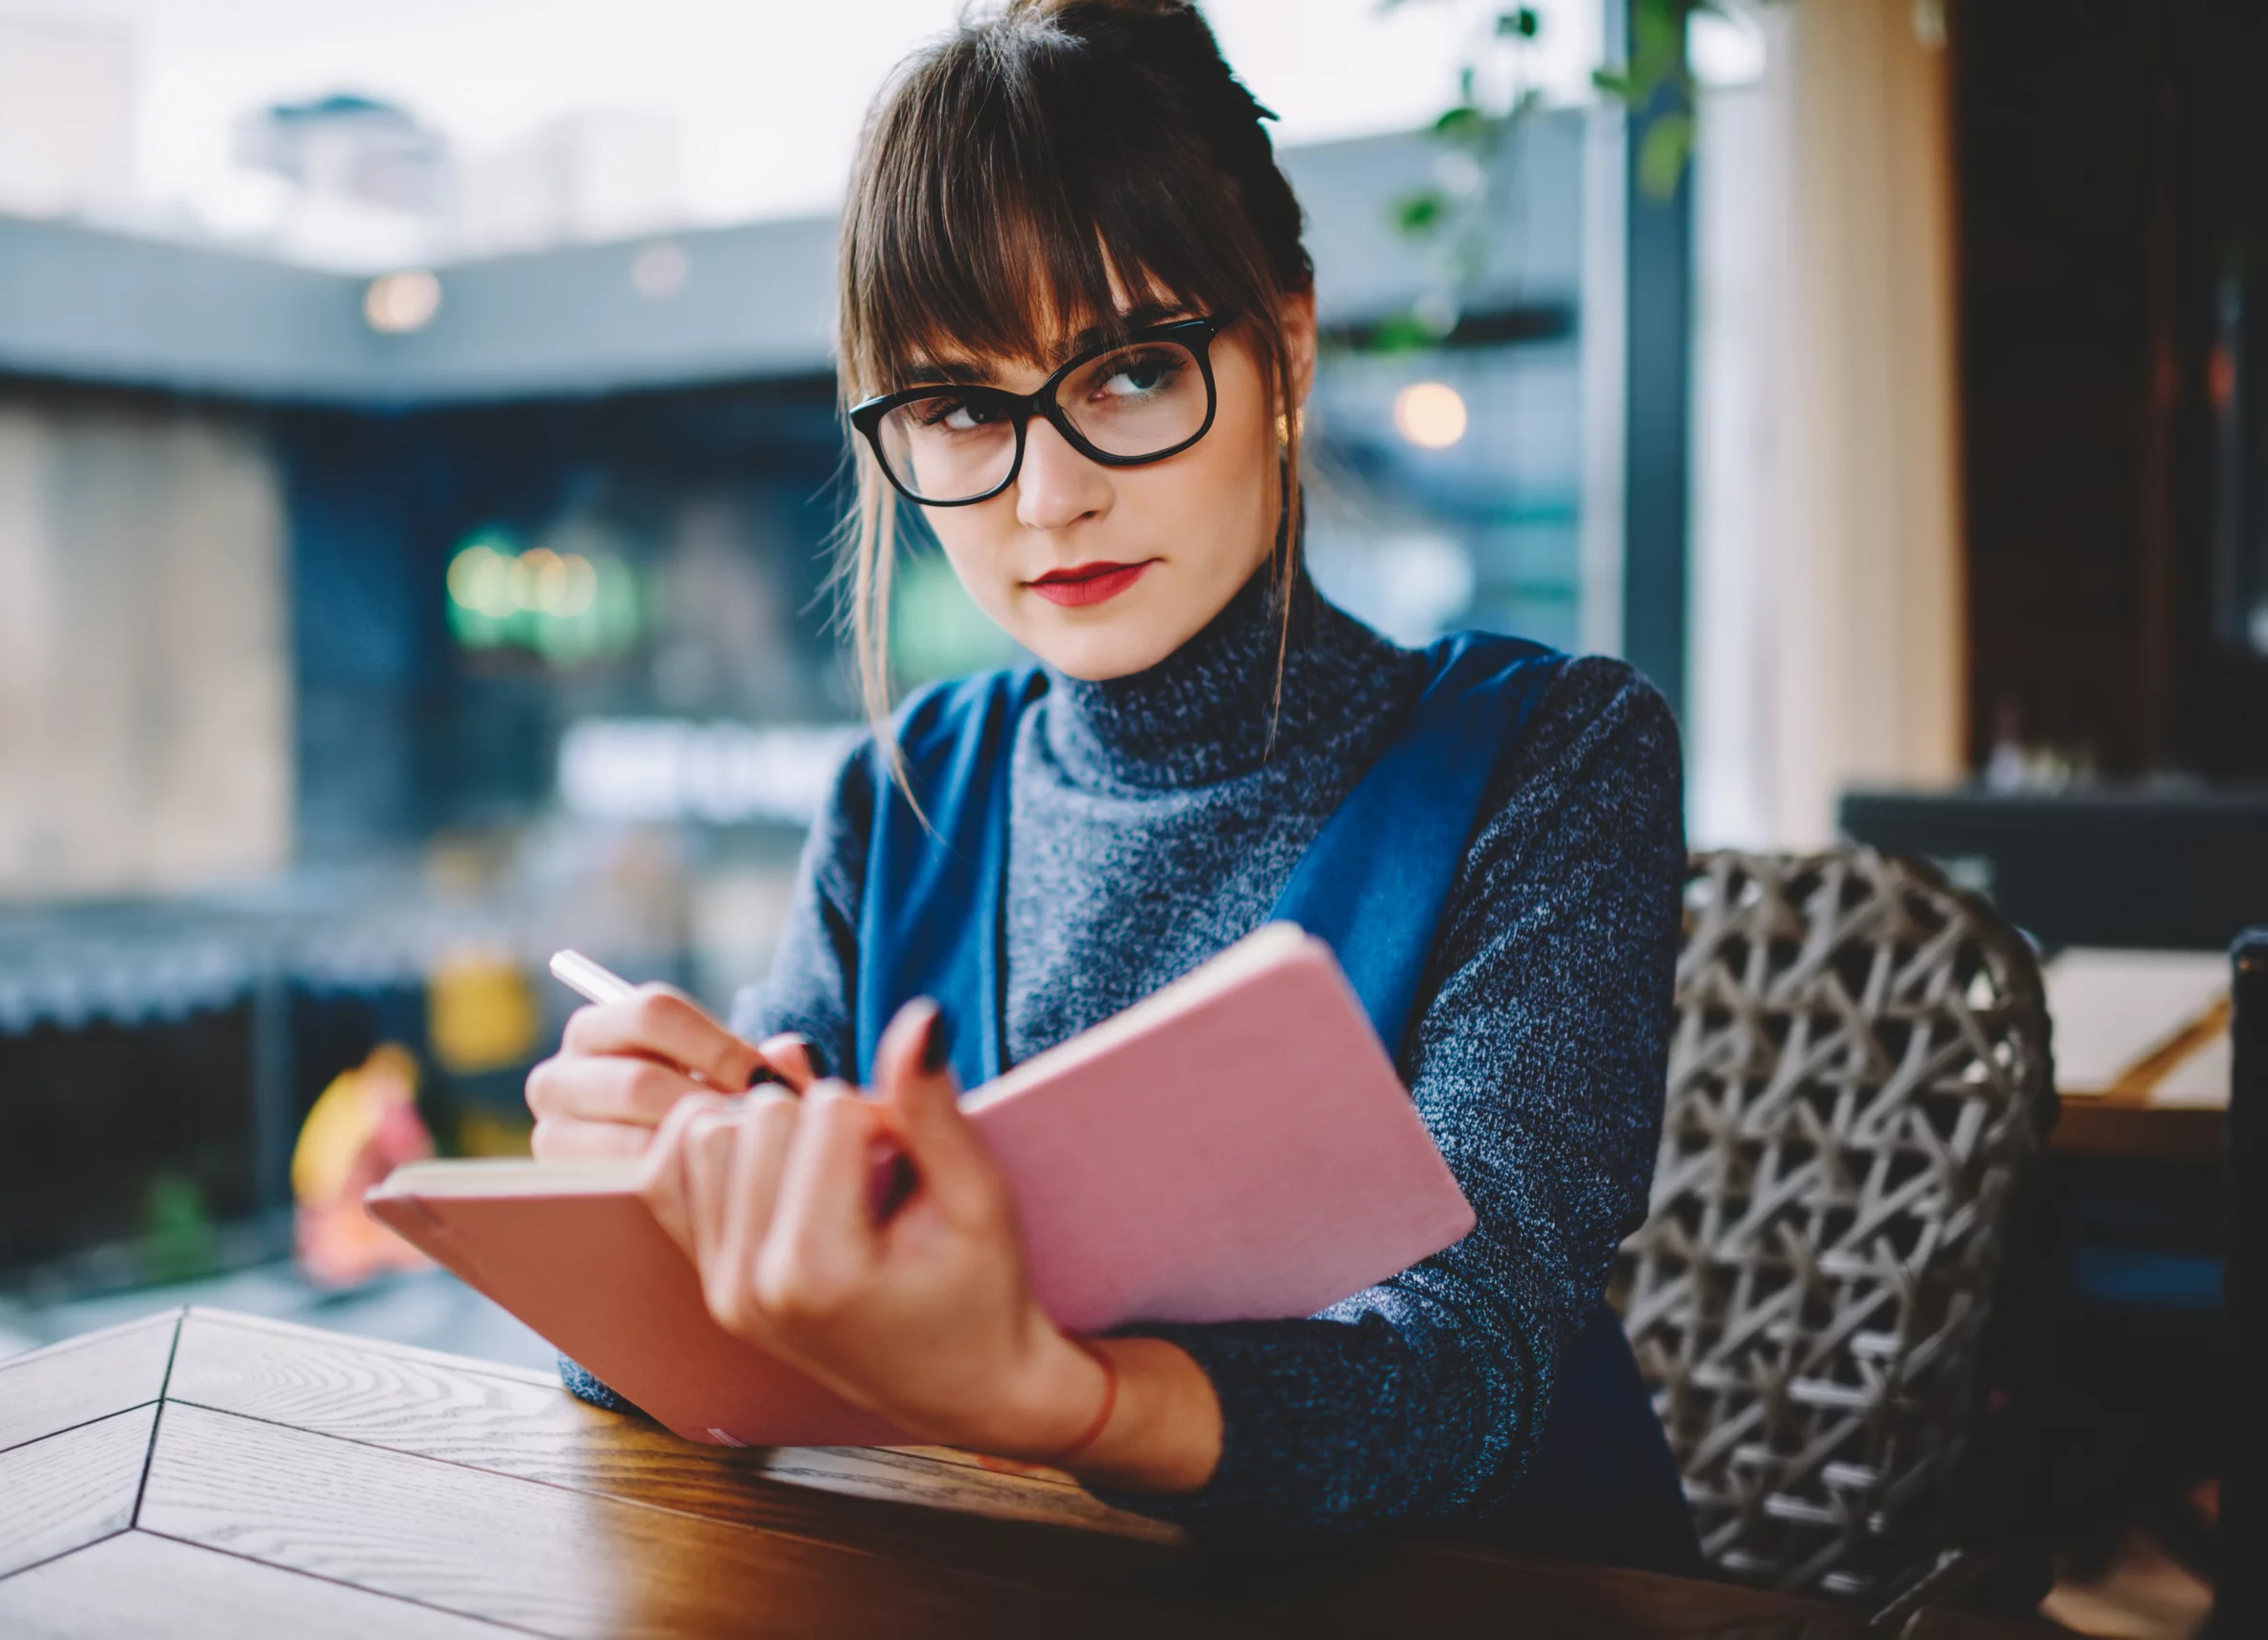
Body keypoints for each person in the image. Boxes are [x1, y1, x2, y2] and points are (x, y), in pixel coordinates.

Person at [526, 0, 1695, 1569]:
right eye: (958, 407)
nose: (1051, 494)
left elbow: (1461, 1375)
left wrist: (1050, 1396)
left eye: (1133, 372)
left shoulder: (1546, 763)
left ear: (1283, 341)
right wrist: (647, 1230)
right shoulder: (906, 797)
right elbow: (710, 1384)